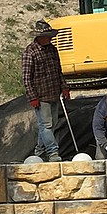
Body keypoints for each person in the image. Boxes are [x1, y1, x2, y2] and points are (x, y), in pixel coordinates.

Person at [22, 19, 70, 161]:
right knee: (47, 126)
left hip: (54, 92)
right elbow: (26, 78)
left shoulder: (52, 49)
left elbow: (58, 71)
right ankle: (52, 152)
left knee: (50, 125)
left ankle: (39, 152)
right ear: (40, 37)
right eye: (48, 36)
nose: (50, 38)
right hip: (41, 95)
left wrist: (64, 87)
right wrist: (32, 97)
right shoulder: (29, 52)